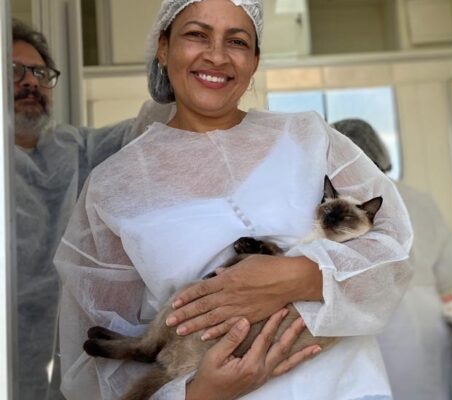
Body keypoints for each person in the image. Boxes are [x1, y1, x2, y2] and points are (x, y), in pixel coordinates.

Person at [53, 1, 413, 399]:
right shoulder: (114, 187)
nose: (217, 55)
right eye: (196, 34)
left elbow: (394, 258)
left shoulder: (311, 137)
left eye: (237, 41)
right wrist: (199, 394)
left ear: (255, 60)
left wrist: (299, 276)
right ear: (163, 46)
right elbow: (96, 360)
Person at [11, 18, 154, 400]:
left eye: (40, 72)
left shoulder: (74, 149)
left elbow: (148, 127)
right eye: (14, 70)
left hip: (73, 355)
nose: (31, 82)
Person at [332, 118, 452, 400]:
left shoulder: (342, 206)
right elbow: (450, 271)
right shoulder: (420, 199)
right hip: (426, 315)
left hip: (379, 320)